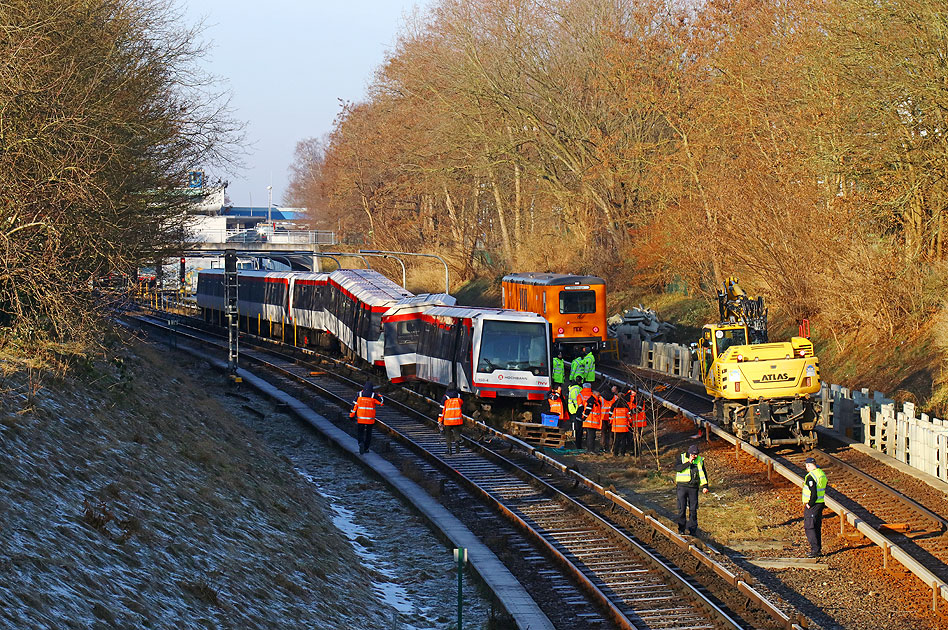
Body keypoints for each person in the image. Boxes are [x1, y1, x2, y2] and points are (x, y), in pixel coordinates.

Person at [675, 443, 709, 536]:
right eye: (693, 455)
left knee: (693, 510)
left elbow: (702, 474)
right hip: (682, 487)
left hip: (693, 488)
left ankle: (693, 531)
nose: (695, 456)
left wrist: (705, 486)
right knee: (682, 509)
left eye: (696, 454)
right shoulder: (681, 458)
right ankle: (681, 529)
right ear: (689, 453)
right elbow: (678, 468)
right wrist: (688, 462)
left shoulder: (700, 460)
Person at [802, 456, 828, 557]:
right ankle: (818, 549)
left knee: (810, 527)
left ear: (808, 465)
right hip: (820, 503)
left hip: (813, 505)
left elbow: (814, 493)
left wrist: (809, 504)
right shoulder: (821, 474)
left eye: (806, 466)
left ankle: (815, 550)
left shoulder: (811, 476)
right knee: (817, 527)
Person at [350, 381, 384, 454]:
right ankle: (366, 448)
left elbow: (354, 406)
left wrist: (351, 415)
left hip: (361, 418)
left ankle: (360, 443)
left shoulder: (359, 394)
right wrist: (379, 395)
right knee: (368, 433)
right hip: (370, 419)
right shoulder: (373, 395)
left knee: (360, 432)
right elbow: (381, 402)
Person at [438, 383, 464, 456]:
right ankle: (457, 443)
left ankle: (449, 450)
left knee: (448, 435)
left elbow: (442, 410)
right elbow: (462, 403)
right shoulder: (459, 396)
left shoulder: (445, 397)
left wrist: (440, 420)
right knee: (457, 433)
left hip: (448, 420)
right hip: (457, 419)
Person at [580, 384, 602, 452]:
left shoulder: (595, 400)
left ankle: (591, 449)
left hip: (592, 422)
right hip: (590, 422)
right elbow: (587, 410)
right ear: (595, 393)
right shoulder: (592, 400)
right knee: (591, 437)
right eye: (598, 394)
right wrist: (584, 418)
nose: (599, 395)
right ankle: (590, 450)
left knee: (592, 436)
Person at [610, 391, 630, 456]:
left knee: (616, 440)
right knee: (624, 440)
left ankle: (615, 453)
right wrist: (630, 423)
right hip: (624, 426)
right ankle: (622, 453)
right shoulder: (626, 405)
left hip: (616, 426)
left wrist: (610, 422)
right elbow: (629, 416)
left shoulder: (614, 404)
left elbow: (610, 415)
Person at [600, 385, 618, 451]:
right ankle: (611, 446)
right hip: (612, 417)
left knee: (603, 432)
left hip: (603, 417)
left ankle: (603, 446)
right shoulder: (615, 397)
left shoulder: (601, 398)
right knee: (611, 432)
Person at [567, 377, 583, 447]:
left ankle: (574, 435)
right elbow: (577, 400)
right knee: (578, 427)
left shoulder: (572, 388)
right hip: (577, 409)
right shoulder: (577, 389)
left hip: (572, 408)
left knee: (575, 424)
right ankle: (577, 441)